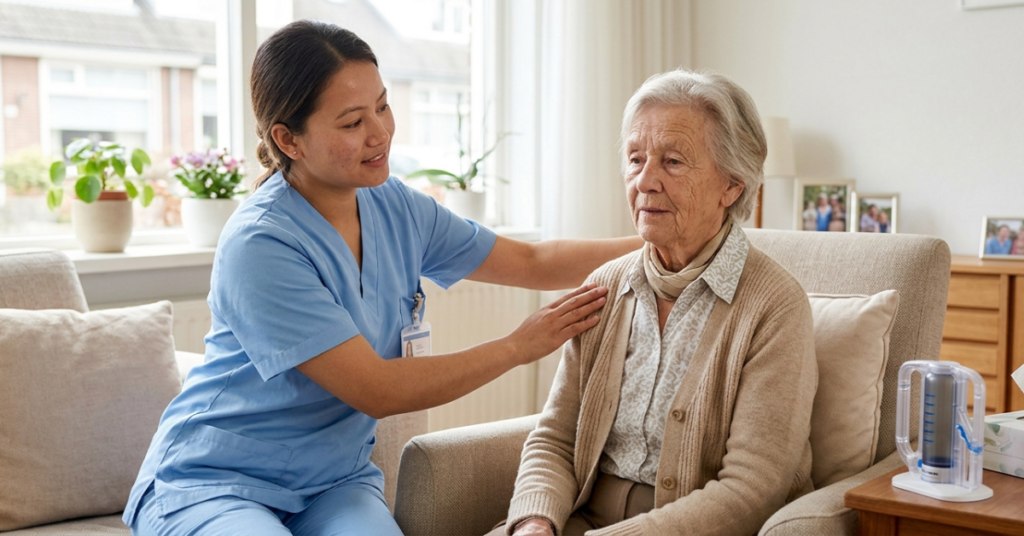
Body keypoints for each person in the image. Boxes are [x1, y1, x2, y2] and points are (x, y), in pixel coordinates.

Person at [123, 21, 643, 536]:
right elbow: (375, 390)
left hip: (333, 485)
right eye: (352, 123)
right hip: (215, 482)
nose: (380, 133)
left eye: (383, 106)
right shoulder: (260, 243)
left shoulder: (393, 205)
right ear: (289, 139)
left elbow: (533, 262)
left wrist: (670, 239)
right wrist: (517, 347)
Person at [491, 69, 816, 536]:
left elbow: (752, 488)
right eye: (636, 158)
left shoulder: (774, 306)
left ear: (732, 185)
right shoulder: (605, 285)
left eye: (674, 162)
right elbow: (556, 437)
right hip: (581, 519)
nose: (645, 181)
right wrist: (536, 522)